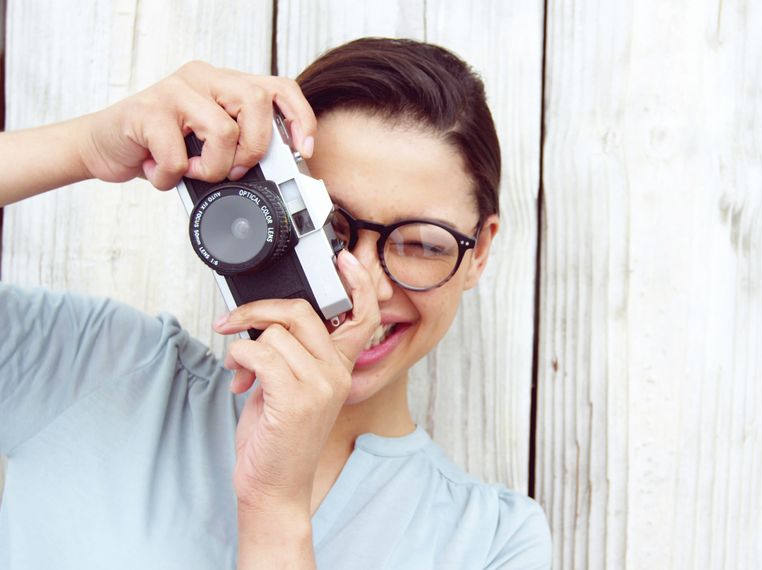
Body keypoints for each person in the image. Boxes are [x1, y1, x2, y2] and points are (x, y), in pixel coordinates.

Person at [0, 38, 550, 569]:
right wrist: (83, 146)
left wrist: (275, 509)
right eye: (327, 228)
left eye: (422, 244)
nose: (366, 288)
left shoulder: (494, 544)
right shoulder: (97, 370)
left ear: (478, 253)